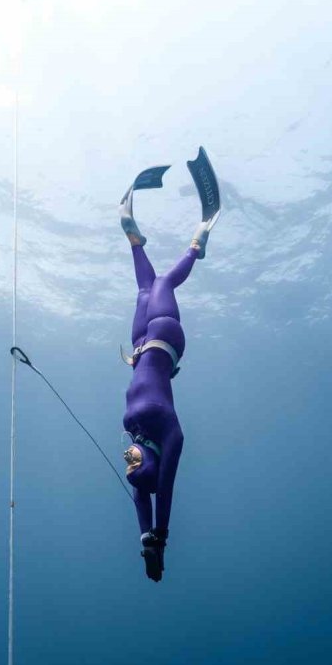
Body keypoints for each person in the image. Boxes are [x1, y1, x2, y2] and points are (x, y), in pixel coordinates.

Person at [119, 148, 220, 582]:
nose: (126, 459)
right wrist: (161, 535)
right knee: (161, 282)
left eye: (127, 464)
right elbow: (163, 491)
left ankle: (129, 225)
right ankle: (202, 232)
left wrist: (146, 543)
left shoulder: (136, 435)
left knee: (144, 285)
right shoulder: (169, 433)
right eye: (133, 463)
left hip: (141, 341)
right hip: (165, 335)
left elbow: (140, 493)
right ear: (151, 464)